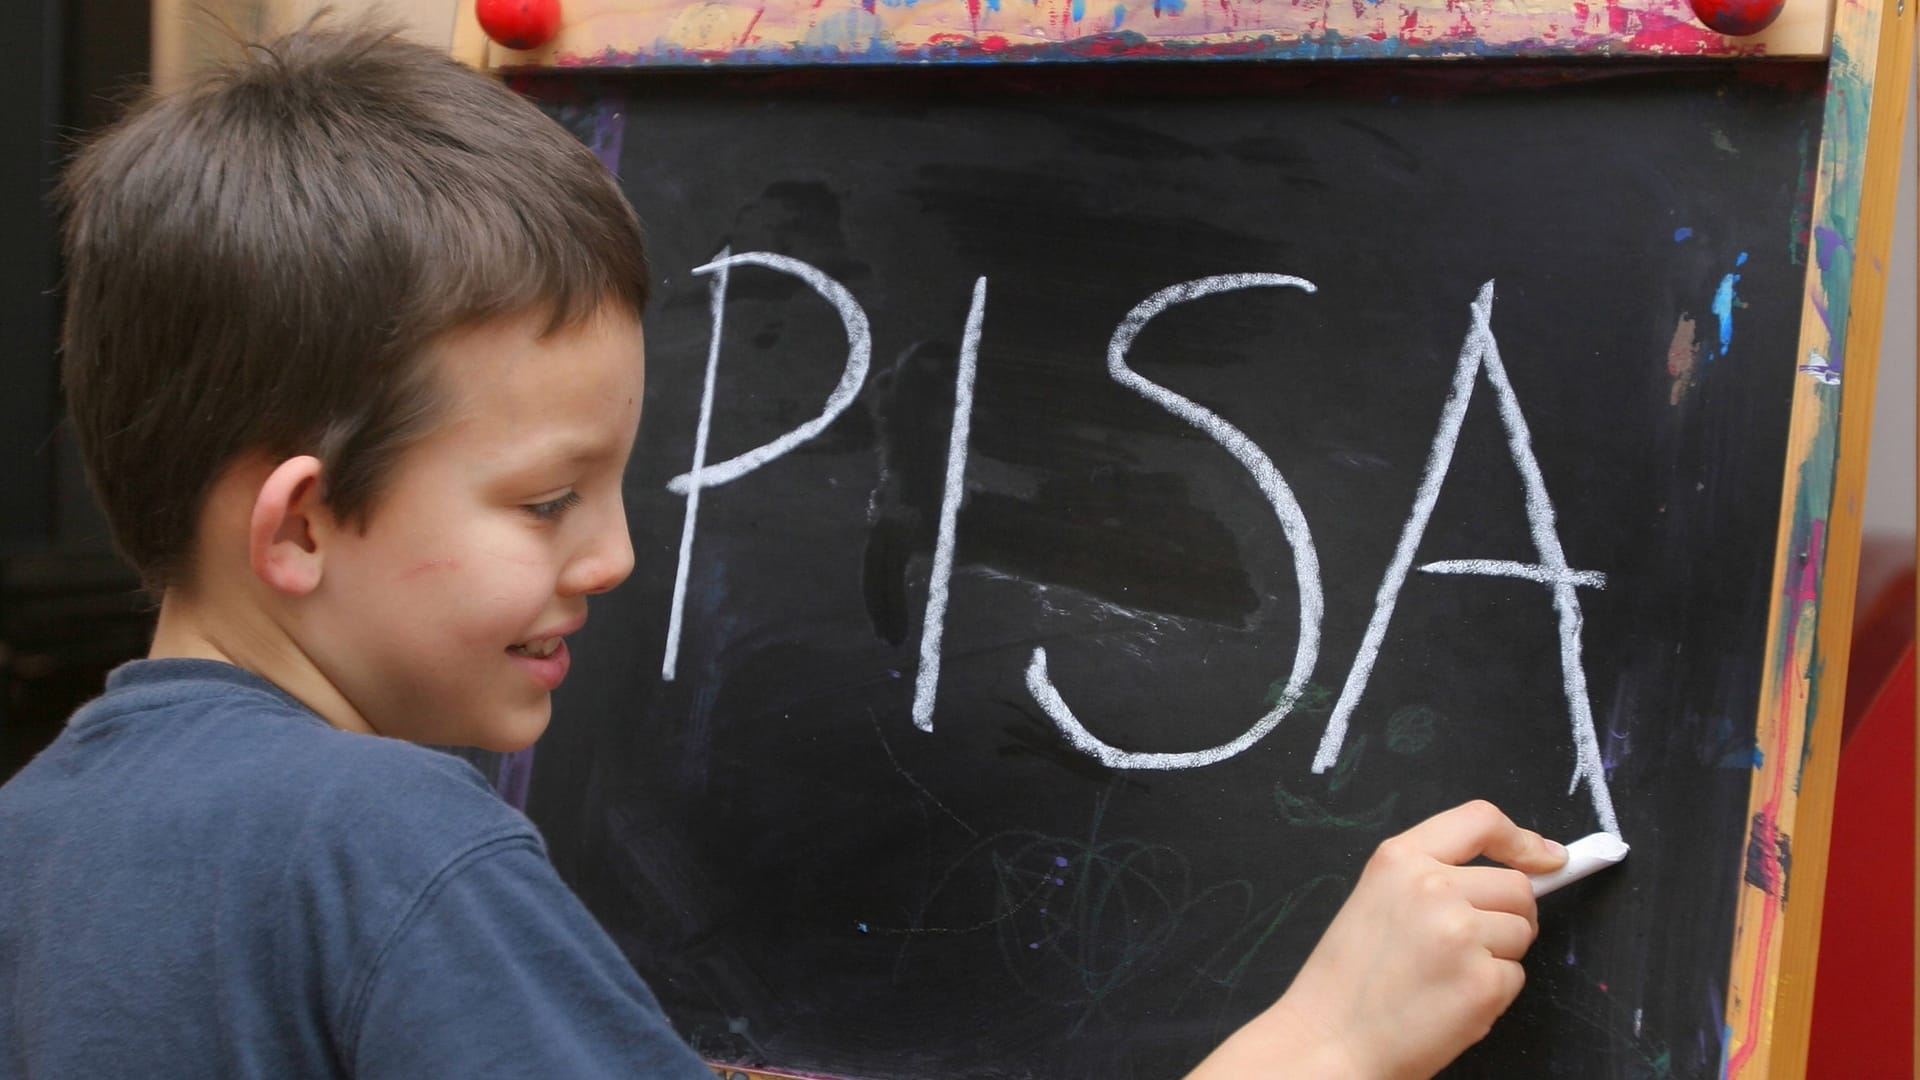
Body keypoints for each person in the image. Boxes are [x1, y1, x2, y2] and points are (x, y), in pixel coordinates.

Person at [0, 20, 1566, 1079]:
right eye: (546, 501)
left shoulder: (42, 838)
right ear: (297, 525)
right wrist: (1318, 1046)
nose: (614, 554)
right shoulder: (390, 846)